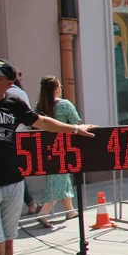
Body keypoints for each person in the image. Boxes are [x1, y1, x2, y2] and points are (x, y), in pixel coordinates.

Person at [0, 60, 97, 255]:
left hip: (12, 184)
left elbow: (43, 122)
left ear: (8, 84)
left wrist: (74, 129)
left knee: (8, 243)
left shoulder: (14, 103)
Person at [34, 76, 82, 227]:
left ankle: (70, 211)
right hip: (63, 146)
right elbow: (76, 122)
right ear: (56, 88)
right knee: (58, 181)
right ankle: (43, 213)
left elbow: (34, 125)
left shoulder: (39, 106)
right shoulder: (64, 104)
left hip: (45, 147)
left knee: (61, 178)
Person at [6, 69, 39, 217]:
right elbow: (30, 117)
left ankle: (29, 202)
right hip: (18, 136)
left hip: (11, 136)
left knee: (17, 170)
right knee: (17, 170)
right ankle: (30, 203)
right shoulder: (19, 93)